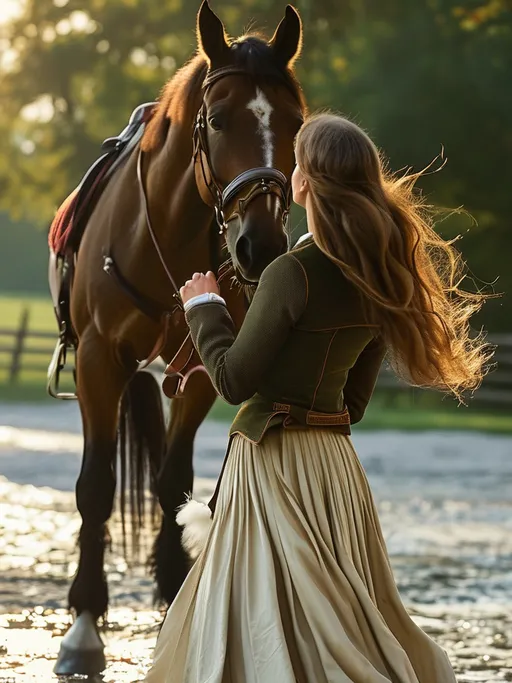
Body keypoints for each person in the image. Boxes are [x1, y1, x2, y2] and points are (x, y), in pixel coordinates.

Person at [144, 113, 490, 682]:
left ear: (306, 184)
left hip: (274, 466)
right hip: (334, 472)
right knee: (337, 615)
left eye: (297, 163)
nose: (291, 173)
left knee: (264, 618)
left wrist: (203, 307)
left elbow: (233, 381)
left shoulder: (292, 273)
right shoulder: (381, 276)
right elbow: (352, 404)